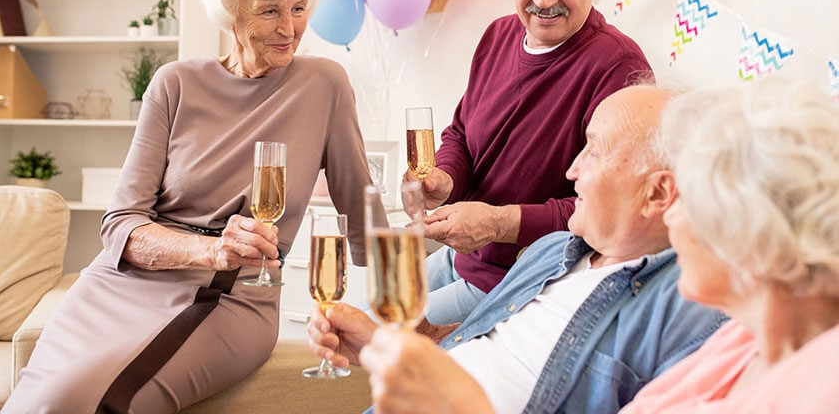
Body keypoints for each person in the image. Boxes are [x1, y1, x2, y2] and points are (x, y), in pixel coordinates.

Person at [4, 0, 378, 413]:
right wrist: (210, 247)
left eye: (299, 9)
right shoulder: (174, 83)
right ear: (231, 11)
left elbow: (361, 210)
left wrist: (412, 269)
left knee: (92, 400)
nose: (290, 27)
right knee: (34, 398)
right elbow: (121, 224)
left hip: (228, 292)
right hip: (118, 283)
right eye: (270, 11)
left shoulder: (323, 83)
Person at [309, 85, 727, 413]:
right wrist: (398, 341)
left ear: (657, 193)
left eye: (594, 151)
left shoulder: (692, 309)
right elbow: (487, 344)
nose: (572, 169)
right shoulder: (553, 251)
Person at [409, 0, 653, 324]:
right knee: (357, 312)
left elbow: (609, 209)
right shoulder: (499, 35)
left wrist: (500, 224)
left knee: (371, 342)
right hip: (463, 255)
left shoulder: (620, 67)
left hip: (523, 280)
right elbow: (462, 135)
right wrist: (443, 180)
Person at [619, 75, 839, 413]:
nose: (670, 216)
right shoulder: (748, 335)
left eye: (687, 200)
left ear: (751, 236)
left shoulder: (823, 386)